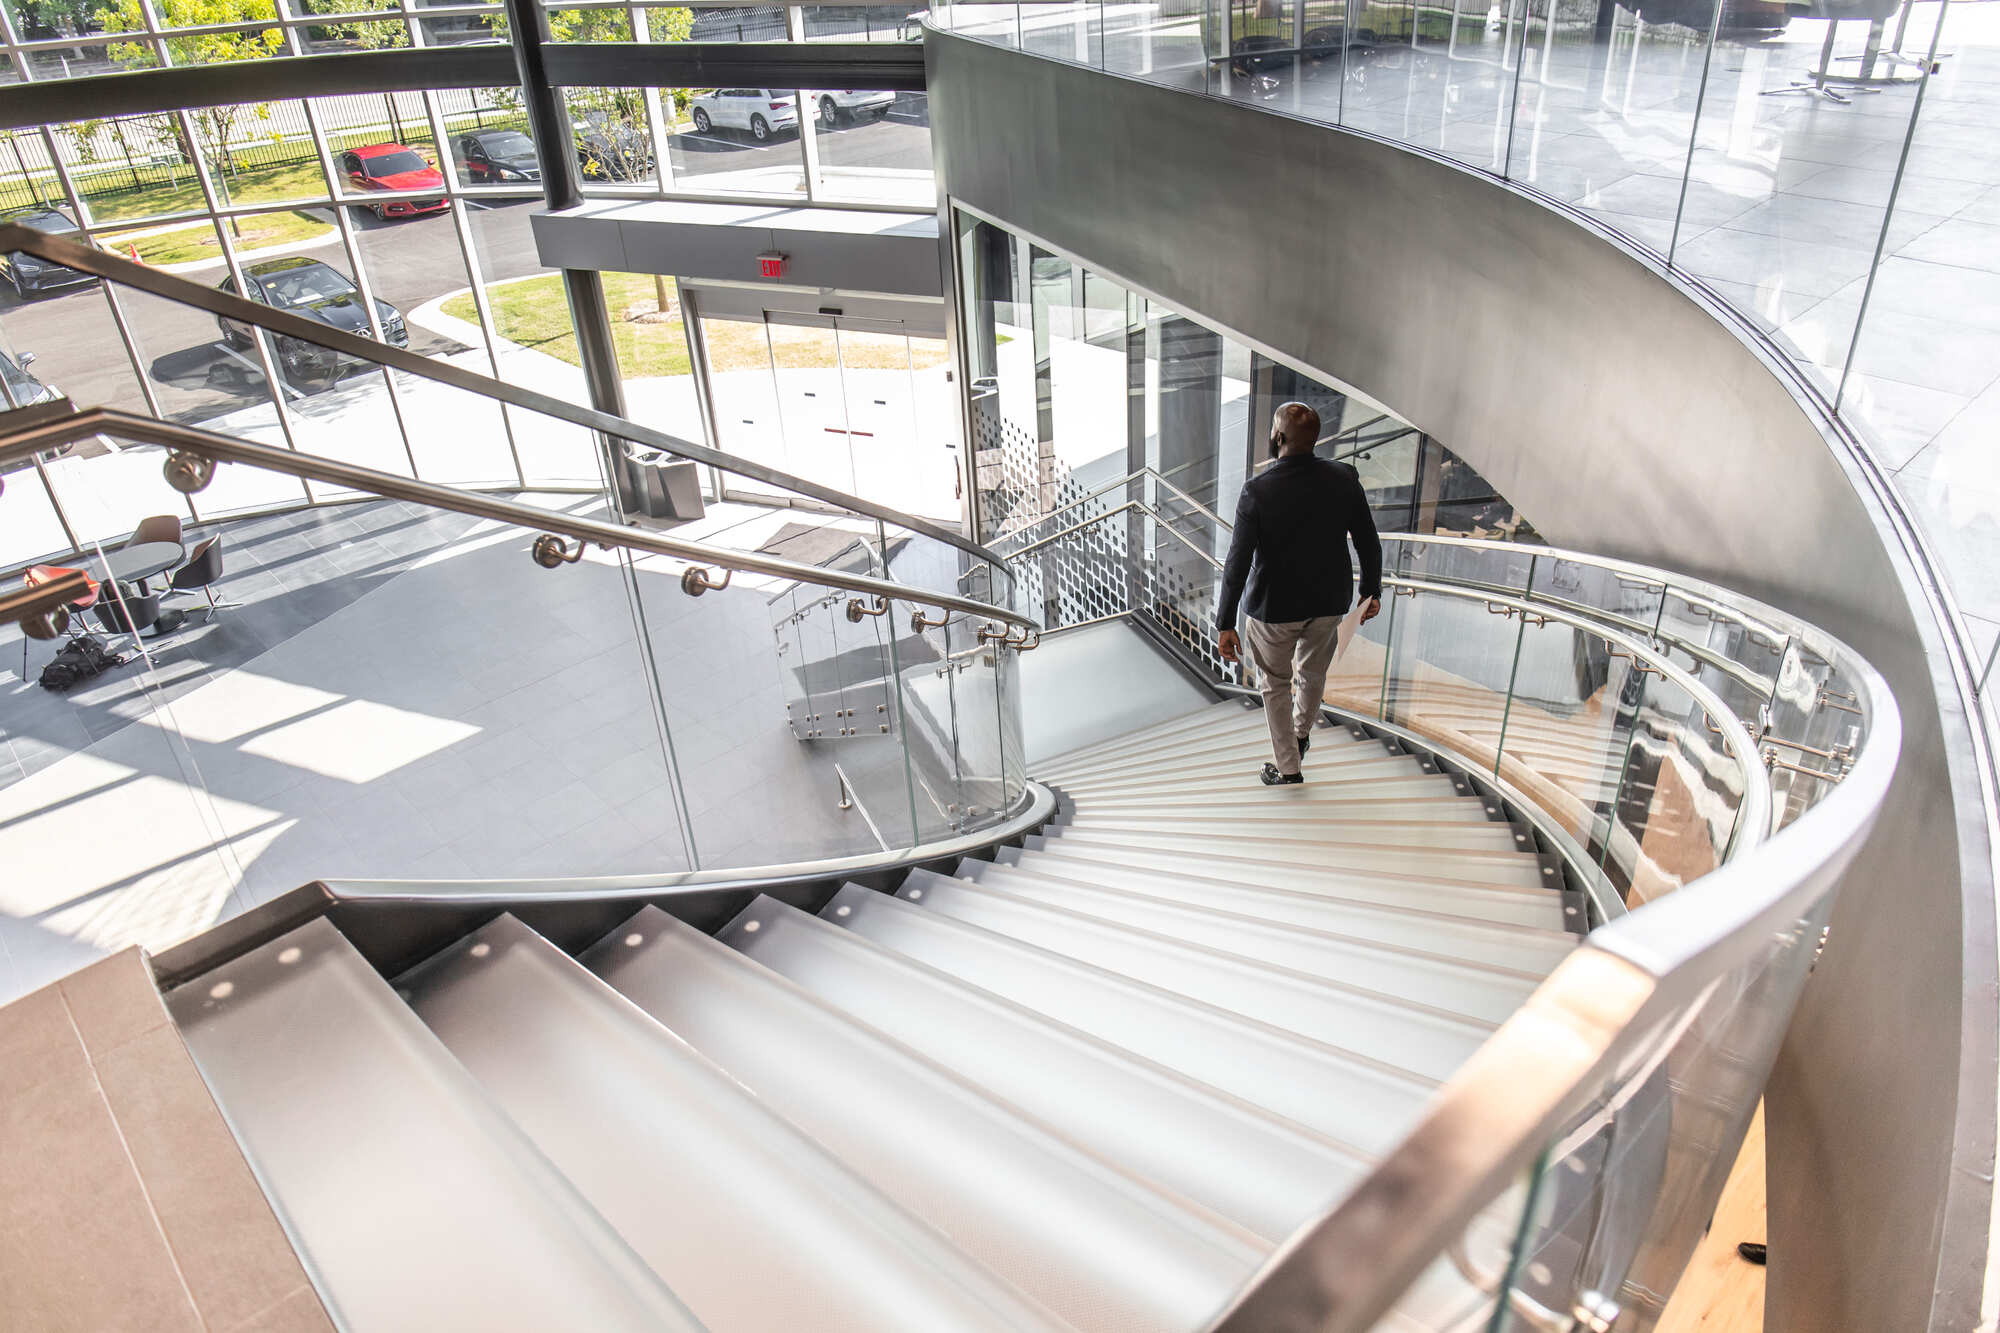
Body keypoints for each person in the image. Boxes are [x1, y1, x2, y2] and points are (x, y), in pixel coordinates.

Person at [1216, 401, 1383, 785]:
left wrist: (1225, 623)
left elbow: (1238, 562)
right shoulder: (1344, 477)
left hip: (1273, 609)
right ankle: (1301, 734)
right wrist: (1370, 590)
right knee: (1312, 673)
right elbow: (1368, 542)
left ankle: (1288, 767)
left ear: (1277, 437)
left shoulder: (1257, 491)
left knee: (1275, 684)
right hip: (1327, 603)